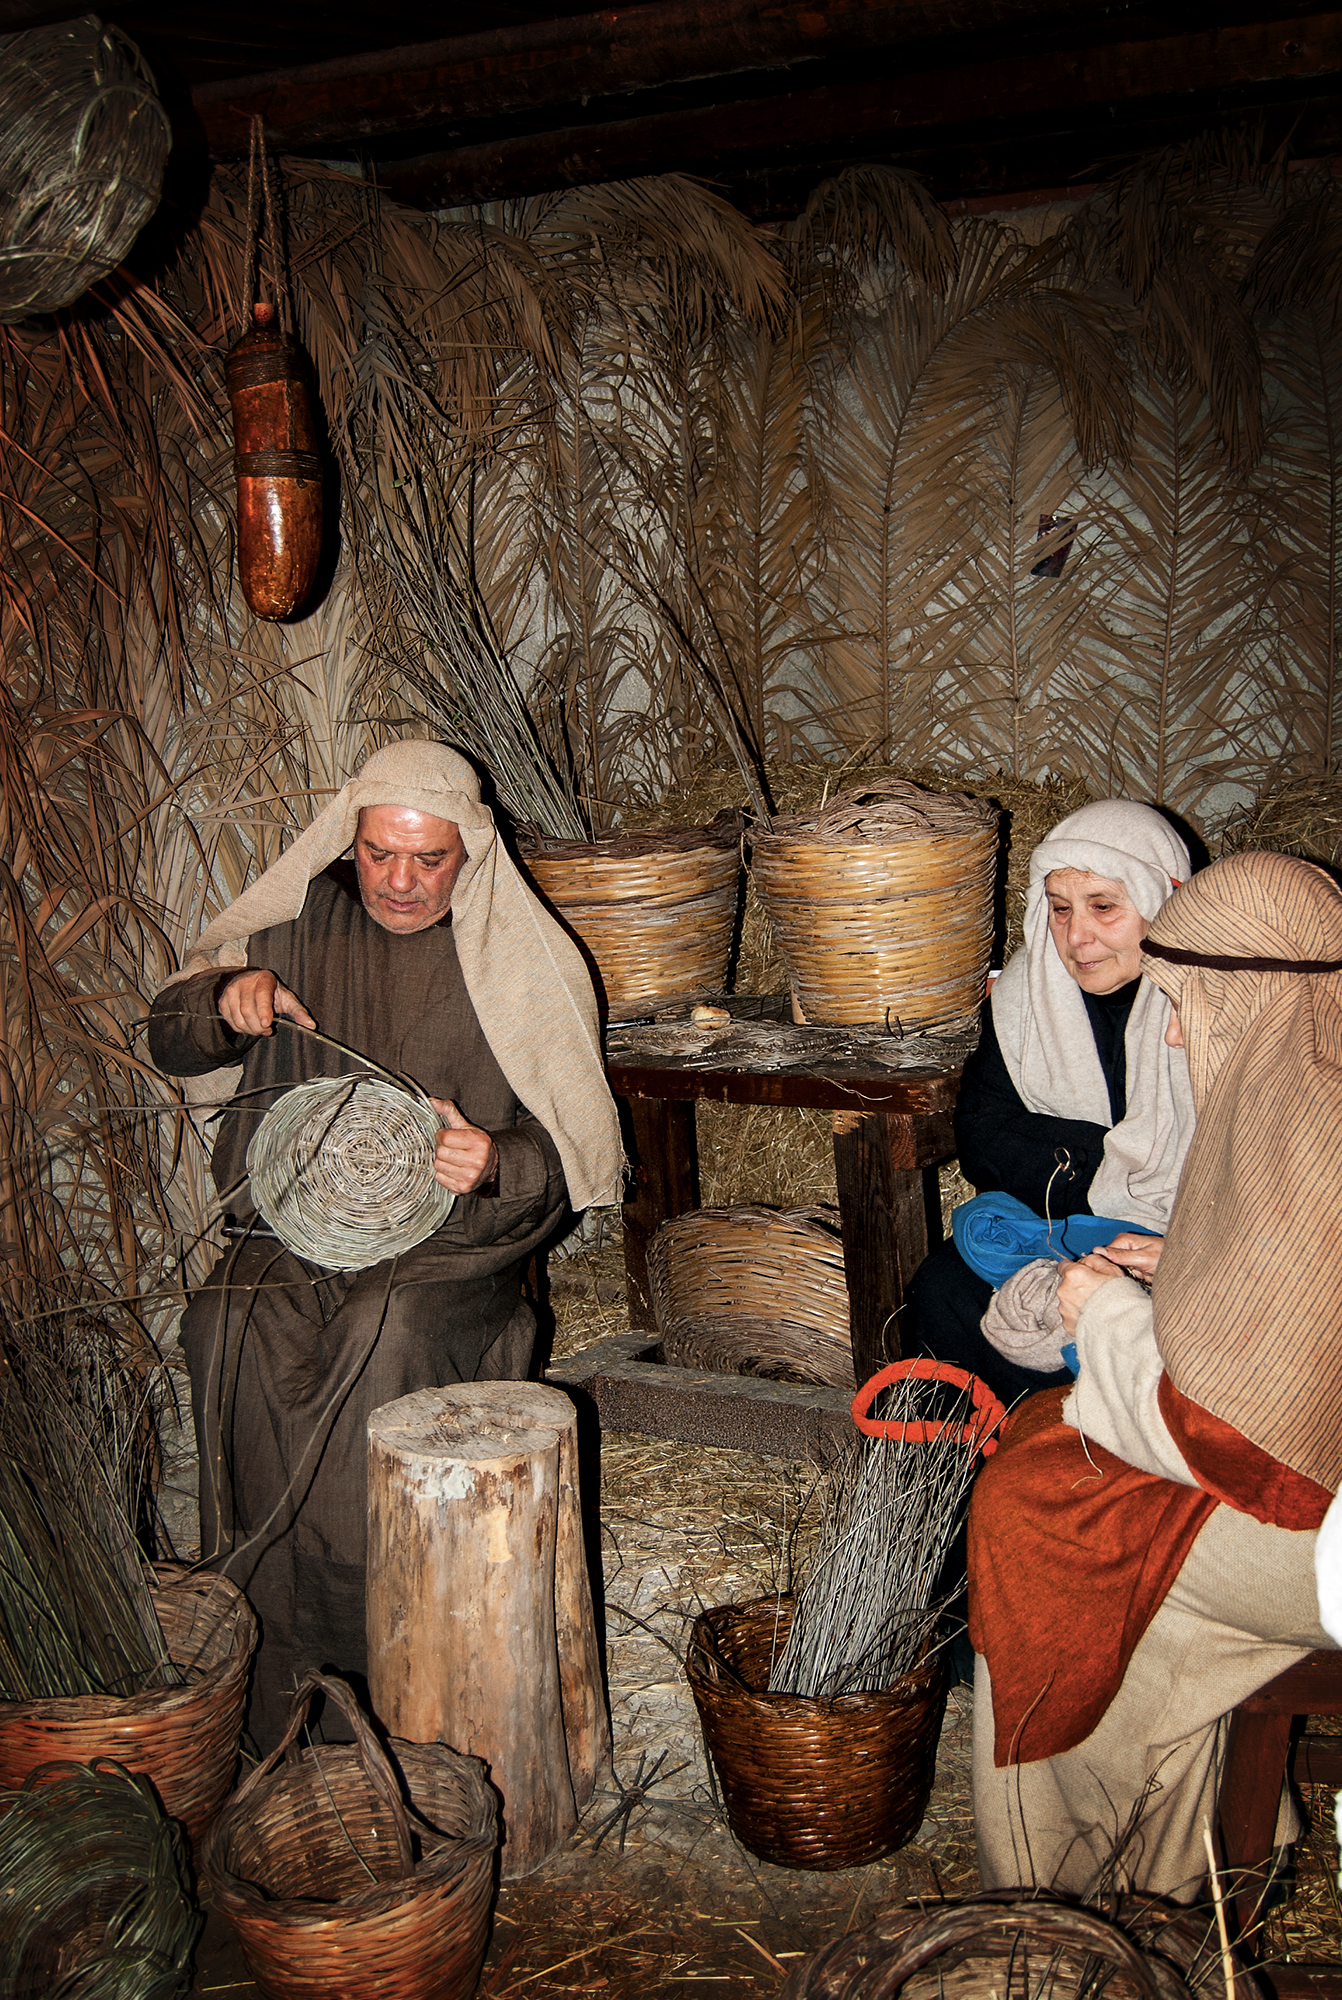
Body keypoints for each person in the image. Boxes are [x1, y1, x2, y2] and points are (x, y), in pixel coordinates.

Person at [149, 741, 623, 1745]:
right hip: (297, 1231)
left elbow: (568, 1154)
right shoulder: (302, 921)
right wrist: (226, 1003)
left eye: (429, 860)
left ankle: (376, 1662)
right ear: (348, 844)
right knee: (223, 1319)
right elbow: (174, 1029)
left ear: (471, 857)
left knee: (386, 1328)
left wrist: (493, 1157)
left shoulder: (520, 957)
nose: (401, 880)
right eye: (378, 855)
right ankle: (263, 1654)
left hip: (452, 1255)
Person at [968, 849, 1342, 1898]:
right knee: (1050, 1443)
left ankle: (1088, 1888)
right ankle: (1207, 1845)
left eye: (1186, 1003)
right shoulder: (1311, 1087)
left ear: (1251, 993)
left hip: (1319, 1538)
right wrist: (1188, 1267)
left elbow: (1237, 1444)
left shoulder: (1299, 1128)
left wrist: (1110, 1313)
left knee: (1039, 1513)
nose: (1171, 1030)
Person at [907, 799, 1195, 1405]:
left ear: (1160, 902)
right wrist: (1114, 1159)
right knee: (942, 1288)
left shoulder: (1212, 1002)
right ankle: (963, 1480)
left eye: (1104, 907)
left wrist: (1066, 1152)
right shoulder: (1025, 999)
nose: (1077, 936)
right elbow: (984, 1141)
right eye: (1060, 909)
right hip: (1060, 1229)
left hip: (1187, 1244)